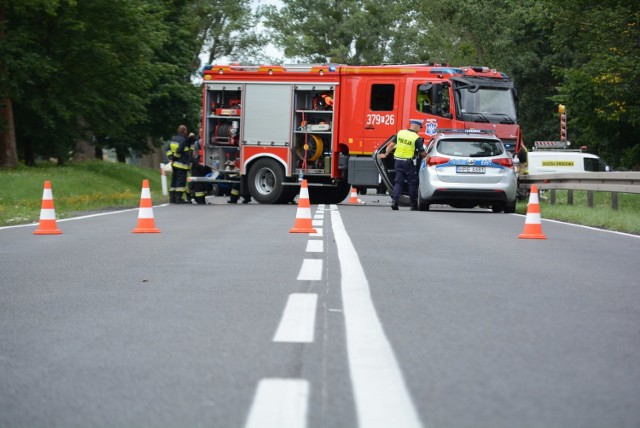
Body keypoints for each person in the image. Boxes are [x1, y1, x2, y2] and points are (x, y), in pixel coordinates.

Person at [378, 119, 426, 210]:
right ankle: (413, 205)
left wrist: (386, 154)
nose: (420, 129)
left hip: (398, 162)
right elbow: (422, 153)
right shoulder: (416, 138)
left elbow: (391, 145)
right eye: (420, 127)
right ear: (416, 127)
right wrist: (429, 157)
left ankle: (395, 202)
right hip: (408, 164)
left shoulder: (401, 133)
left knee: (398, 183)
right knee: (412, 184)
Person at [166, 124, 192, 204]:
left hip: (174, 165)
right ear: (184, 131)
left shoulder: (173, 138)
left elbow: (168, 149)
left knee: (173, 181)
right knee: (180, 182)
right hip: (181, 164)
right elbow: (179, 150)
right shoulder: (183, 140)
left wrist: (171, 158)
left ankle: (172, 198)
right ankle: (178, 199)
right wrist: (175, 157)